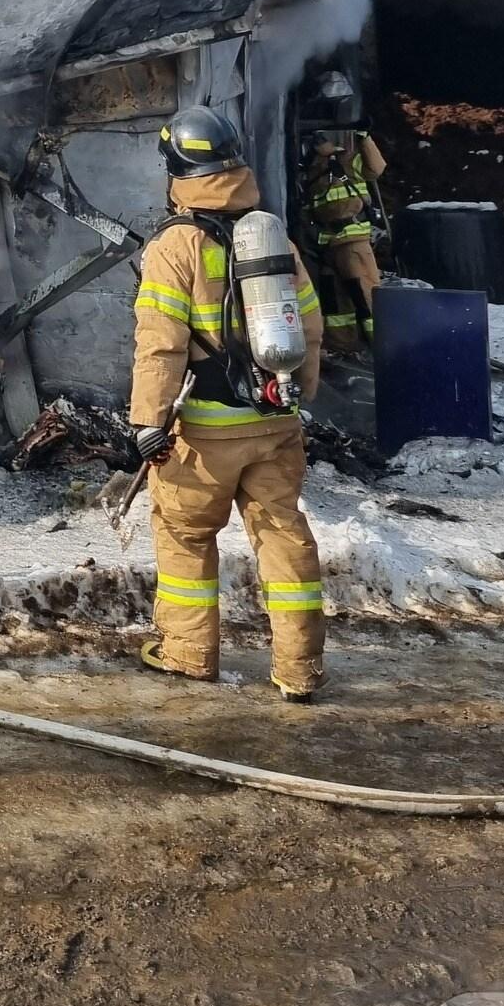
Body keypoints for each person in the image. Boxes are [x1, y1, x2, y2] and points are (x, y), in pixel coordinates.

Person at [130, 105, 327, 702]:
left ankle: (188, 654)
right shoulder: (273, 237)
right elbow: (311, 325)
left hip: (205, 433)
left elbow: (161, 342)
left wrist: (148, 421)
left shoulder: (176, 245)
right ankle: (299, 669)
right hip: (275, 422)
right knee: (283, 534)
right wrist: (297, 393)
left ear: (177, 170)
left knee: (185, 535)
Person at [300, 72, 388, 355]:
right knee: (336, 304)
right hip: (326, 244)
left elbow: (376, 169)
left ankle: (383, 348)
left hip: (353, 240)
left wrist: (364, 137)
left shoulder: (349, 155)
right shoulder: (310, 160)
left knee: (367, 296)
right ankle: (344, 348)